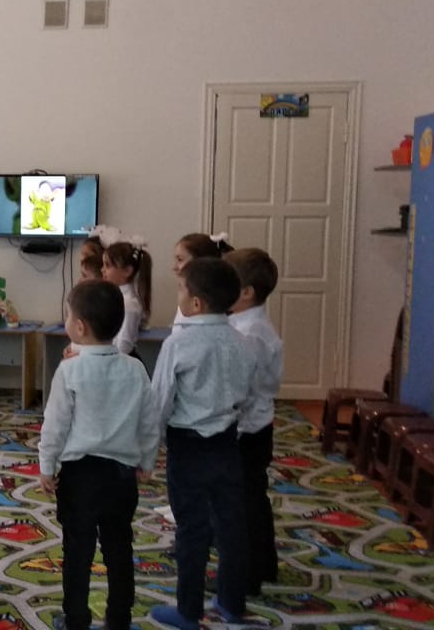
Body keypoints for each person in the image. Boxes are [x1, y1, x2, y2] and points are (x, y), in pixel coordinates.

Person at [38, 280, 159, 630]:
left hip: (80, 477)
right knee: (119, 548)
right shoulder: (135, 368)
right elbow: (149, 421)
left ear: (79, 327)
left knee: (77, 552)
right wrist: (147, 460)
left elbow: (55, 424)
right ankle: (119, 618)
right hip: (121, 476)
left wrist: (46, 465)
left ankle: (76, 618)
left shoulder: (70, 369)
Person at [148, 257, 256, 630]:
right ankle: (231, 602)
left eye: (181, 289)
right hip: (227, 444)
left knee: (192, 529)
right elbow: (250, 396)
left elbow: (160, 400)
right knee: (231, 525)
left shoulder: (178, 343)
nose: (178, 294)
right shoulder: (244, 342)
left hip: (187, 447)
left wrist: (150, 449)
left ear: (195, 303)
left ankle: (188, 611)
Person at [224, 248, 283, 596]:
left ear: (246, 292)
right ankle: (263, 563)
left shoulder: (252, 333)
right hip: (251, 425)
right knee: (251, 498)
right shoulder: (243, 324)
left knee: (243, 503)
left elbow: (242, 386)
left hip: (247, 429)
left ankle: (246, 576)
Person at [169, 232, 233, 333]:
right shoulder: (186, 300)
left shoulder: (216, 302)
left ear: (201, 263)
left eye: (180, 260)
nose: (174, 267)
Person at [101, 240, 153, 357]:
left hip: (120, 361)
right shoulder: (113, 297)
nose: (102, 270)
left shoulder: (129, 304)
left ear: (127, 271)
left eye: (107, 265)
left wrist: (104, 361)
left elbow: (124, 345)